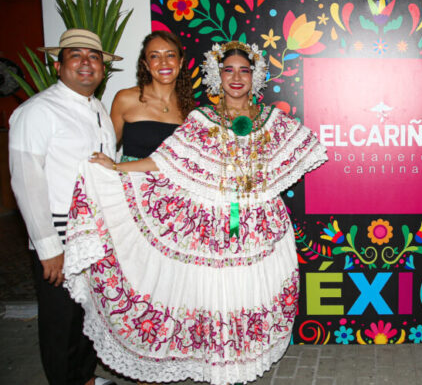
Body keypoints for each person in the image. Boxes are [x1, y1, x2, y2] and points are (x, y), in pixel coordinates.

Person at [63, 41, 328, 385]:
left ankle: (243, 364)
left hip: (261, 224)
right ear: (218, 76)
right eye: (228, 70)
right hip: (214, 224)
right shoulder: (200, 118)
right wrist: (115, 168)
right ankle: (219, 364)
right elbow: (163, 160)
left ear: (255, 76)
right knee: (219, 293)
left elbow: (308, 150)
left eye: (244, 70)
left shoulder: (274, 119)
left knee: (251, 293)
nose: (236, 77)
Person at [8, 28, 119, 385]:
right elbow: (26, 182)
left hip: (96, 231)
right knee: (60, 319)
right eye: (76, 56)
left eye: (94, 58)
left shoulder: (99, 108)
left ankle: (85, 377)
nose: (86, 64)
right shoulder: (37, 111)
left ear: (102, 69)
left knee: (89, 313)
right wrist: (47, 247)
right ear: (59, 66)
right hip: (59, 230)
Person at [111, 30, 195, 161]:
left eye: (170, 55)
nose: (163, 62)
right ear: (146, 64)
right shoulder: (125, 99)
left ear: (180, 61)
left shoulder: (188, 108)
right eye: (154, 56)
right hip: (129, 180)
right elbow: (106, 148)